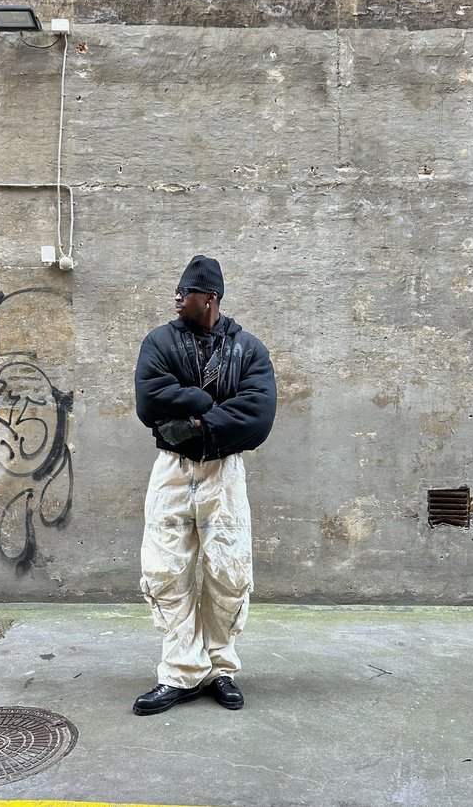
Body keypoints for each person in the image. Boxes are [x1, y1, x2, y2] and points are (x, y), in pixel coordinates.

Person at [133, 254, 277, 716]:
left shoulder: (249, 350)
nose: (177, 298)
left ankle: (220, 669)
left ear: (208, 298)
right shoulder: (158, 342)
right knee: (164, 569)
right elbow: (150, 397)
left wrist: (193, 420)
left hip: (224, 473)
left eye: (185, 292)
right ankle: (179, 671)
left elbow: (258, 414)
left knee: (228, 572)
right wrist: (212, 403)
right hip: (172, 470)